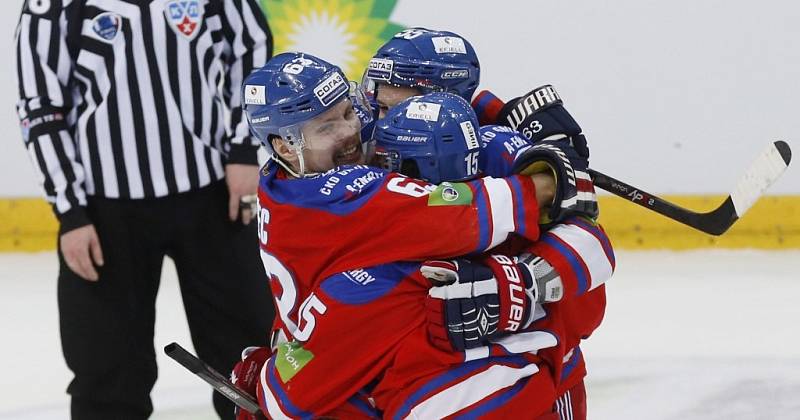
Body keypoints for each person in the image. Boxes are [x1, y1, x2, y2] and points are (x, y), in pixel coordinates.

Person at [14, 1, 275, 418]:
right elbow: (40, 105)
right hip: (105, 212)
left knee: (247, 353)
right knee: (106, 367)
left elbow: (252, 47)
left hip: (213, 198)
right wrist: (72, 213)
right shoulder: (52, 7)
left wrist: (245, 149)